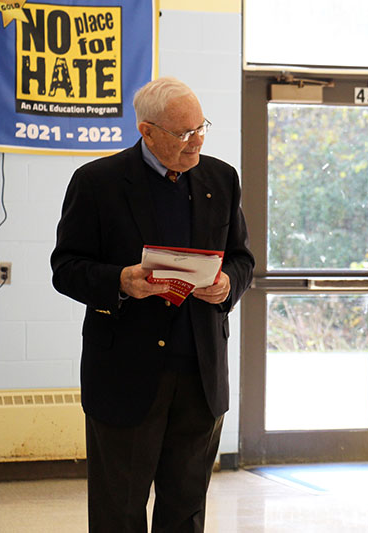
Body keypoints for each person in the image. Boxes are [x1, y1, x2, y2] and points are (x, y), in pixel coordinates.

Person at [50, 77, 254, 532]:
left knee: (185, 511)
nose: (196, 140)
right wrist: (119, 281)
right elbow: (65, 268)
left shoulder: (220, 178)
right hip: (125, 375)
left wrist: (227, 286)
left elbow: (241, 258)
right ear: (147, 131)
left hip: (200, 376)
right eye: (184, 133)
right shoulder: (97, 182)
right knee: (118, 511)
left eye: (201, 127)